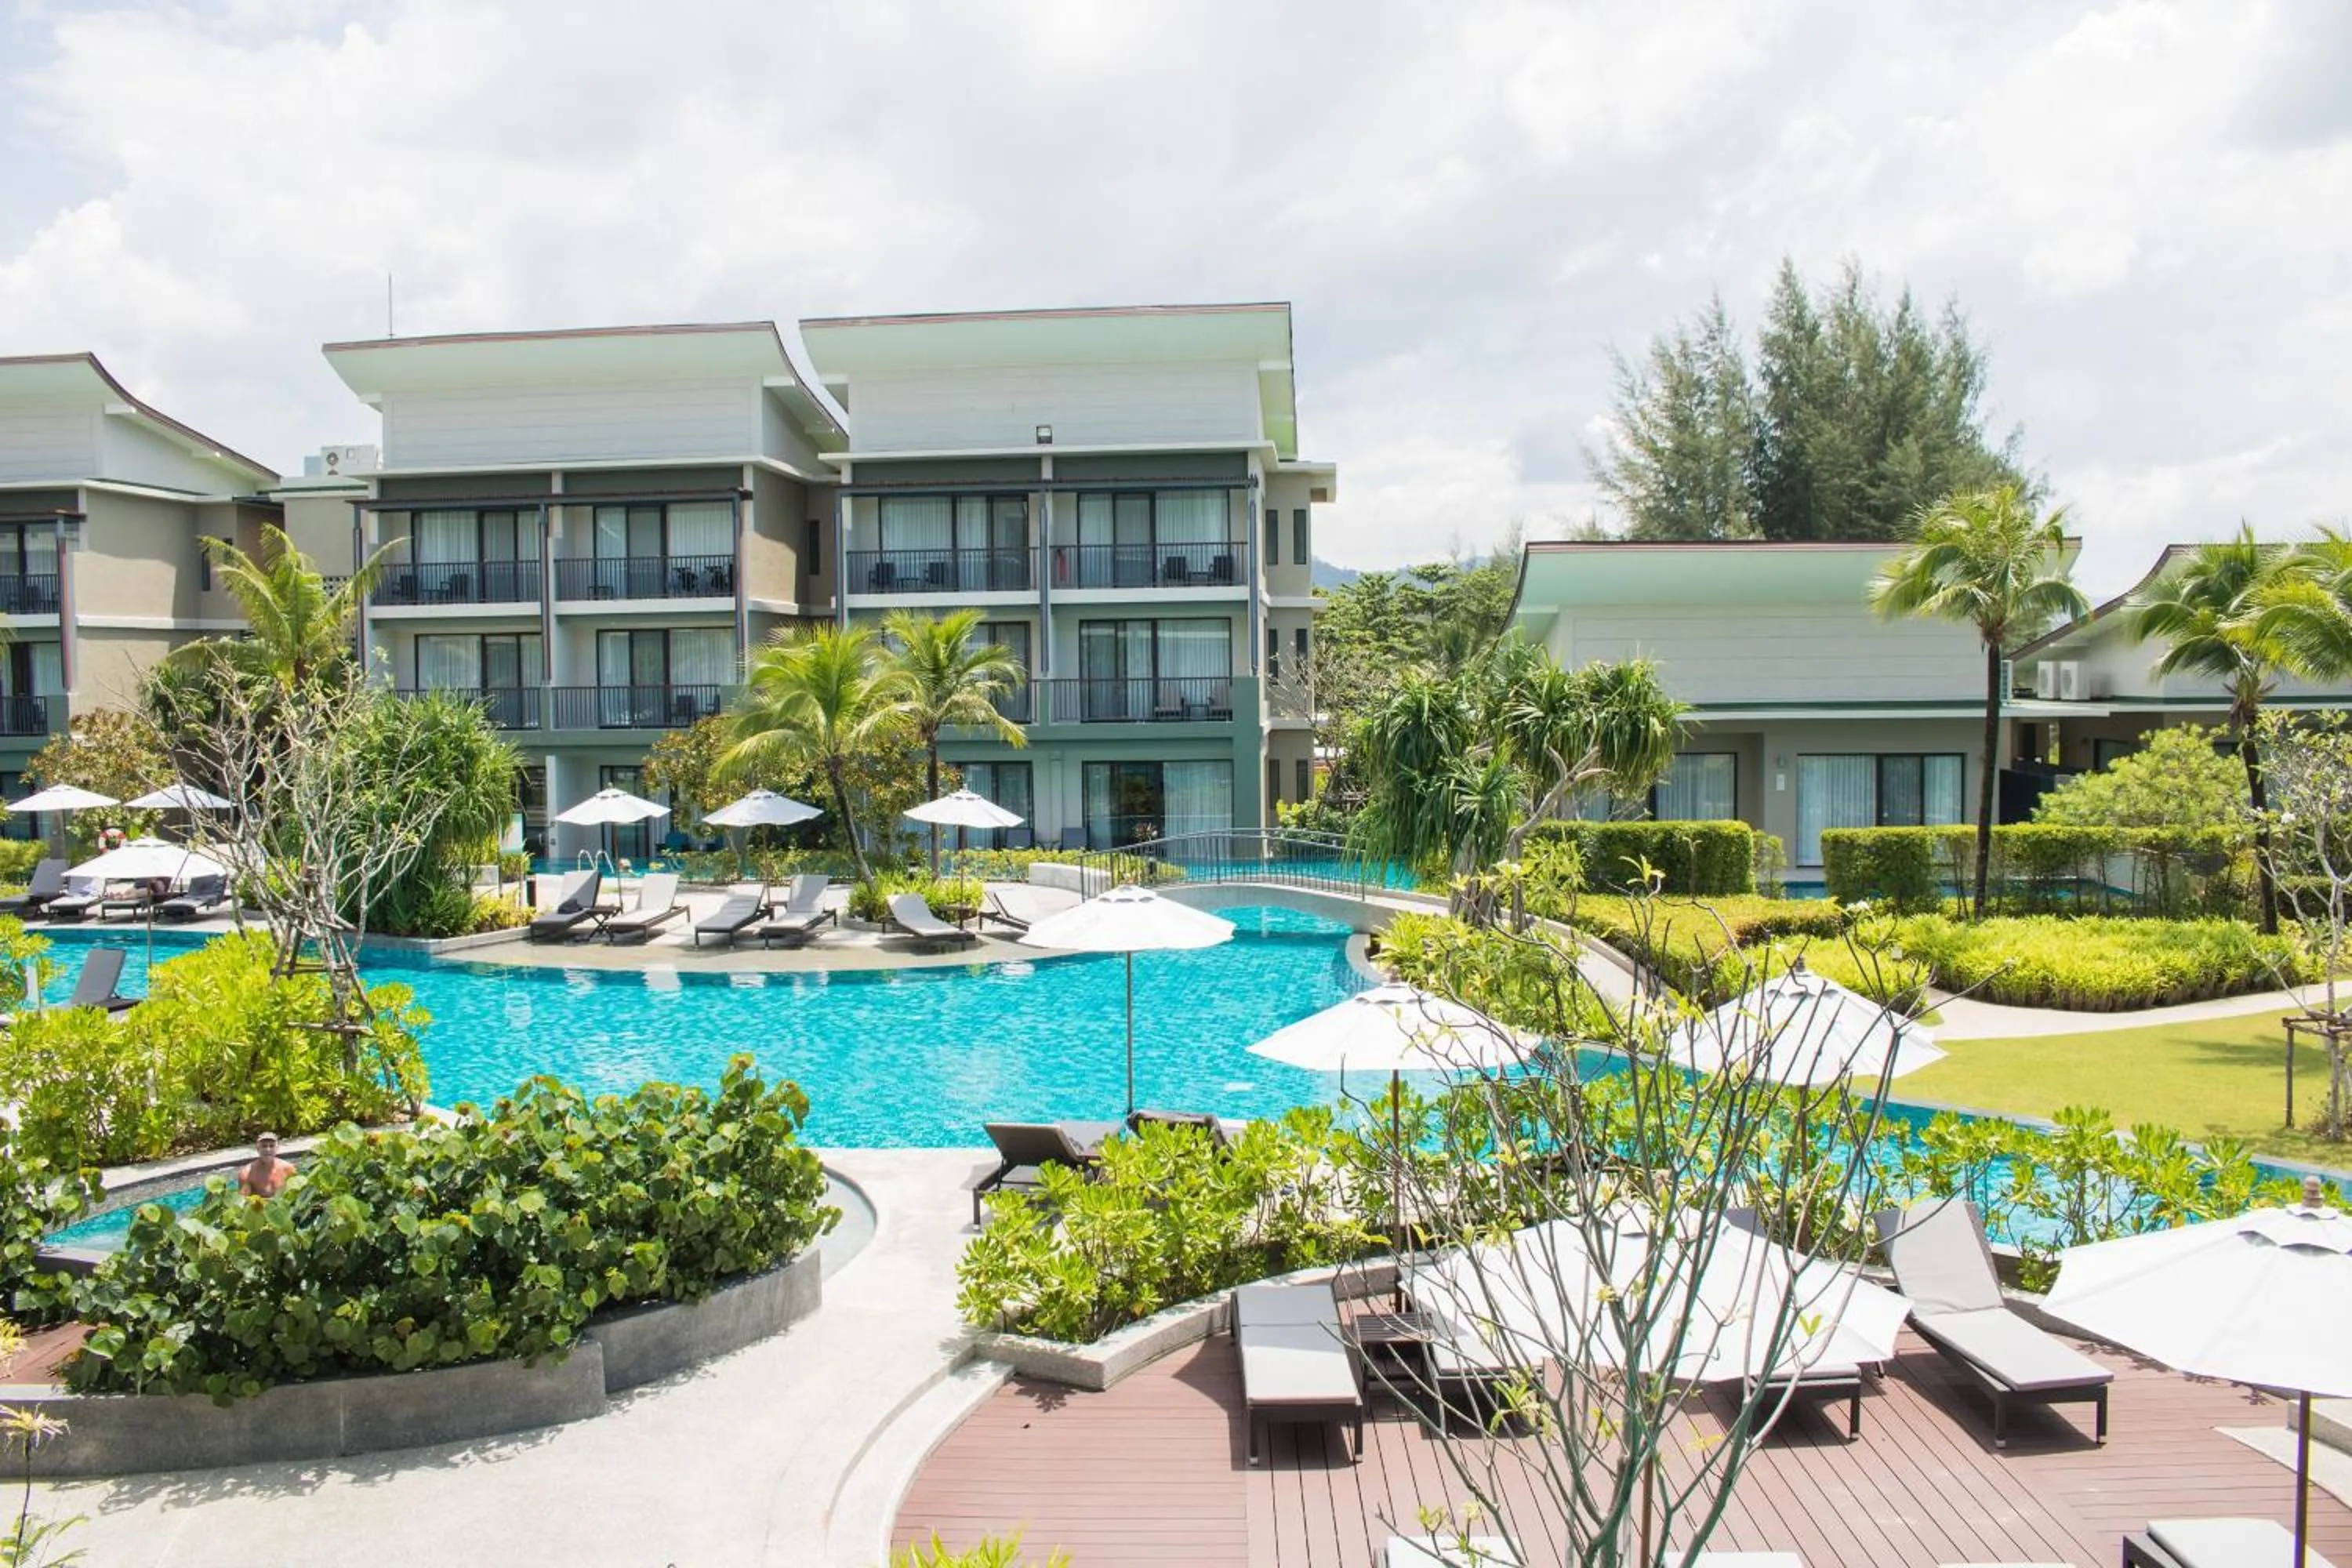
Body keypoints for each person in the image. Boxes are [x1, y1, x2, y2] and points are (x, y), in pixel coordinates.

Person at [237, 1133, 295, 1198]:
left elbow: (295, 1195)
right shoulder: (246, 1174)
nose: (268, 1150)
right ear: (258, 1149)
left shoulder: (288, 1169)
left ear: (277, 1148)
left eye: (272, 1146)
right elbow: (243, 1202)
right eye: (264, 1146)